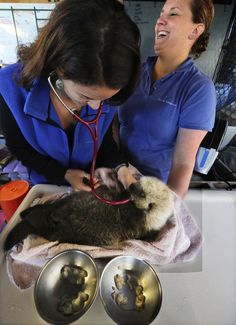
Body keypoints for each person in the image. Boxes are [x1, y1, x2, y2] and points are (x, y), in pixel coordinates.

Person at [0, 0, 140, 192]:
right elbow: (20, 148)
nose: (97, 107)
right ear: (59, 68)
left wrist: (119, 167)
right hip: (44, 185)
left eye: (106, 99)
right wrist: (63, 173)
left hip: (91, 185)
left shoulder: (106, 87)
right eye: (85, 96)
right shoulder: (10, 89)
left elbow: (103, 139)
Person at [117, 0, 216, 198]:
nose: (160, 21)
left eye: (173, 14)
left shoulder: (198, 89)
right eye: (161, 14)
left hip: (151, 191)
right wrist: (117, 166)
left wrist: (167, 210)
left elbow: (182, 165)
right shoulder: (134, 72)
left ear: (196, 30)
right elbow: (112, 125)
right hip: (117, 176)